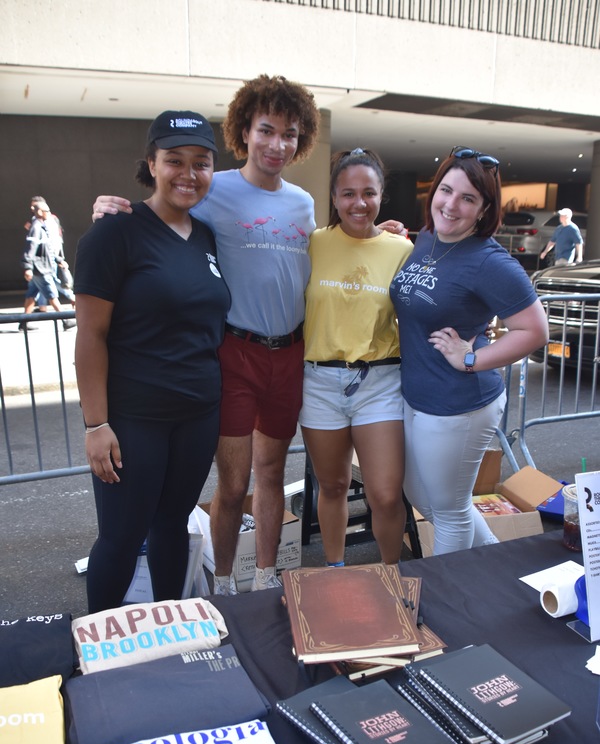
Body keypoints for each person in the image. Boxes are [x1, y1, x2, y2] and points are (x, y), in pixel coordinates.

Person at [92, 74, 320, 594]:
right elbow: (162, 208)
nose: (277, 143)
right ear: (244, 131)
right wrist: (112, 210)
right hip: (233, 352)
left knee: (270, 476)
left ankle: (263, 580)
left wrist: (388, 233)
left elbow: (333, 248)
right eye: (267, 130)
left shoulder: (304, 204)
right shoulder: (215, 189)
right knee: (233, 484)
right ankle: (223, 584)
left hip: (288, 352)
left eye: (289, 133)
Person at [74, 110, 231, 613]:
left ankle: (169, 634)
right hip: (133, 418)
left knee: (173, 524)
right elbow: (90, 336)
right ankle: (94, 651)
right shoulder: (113, 233)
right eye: (174, 161)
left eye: (201, 163)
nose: (188, 173)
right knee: (121, 536)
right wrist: (96, 424)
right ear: (151, 164)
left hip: (197, 414)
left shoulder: (206, 237)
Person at [390, 146, 549, 556]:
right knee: (425, 500)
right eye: (446, 190)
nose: (451, 204)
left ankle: (450, 604)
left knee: (448, 512)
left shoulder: (490, 262)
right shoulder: (426, 240)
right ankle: (494, 561)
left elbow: (534, 330)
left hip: (458, 405)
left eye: (468, 198)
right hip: (416, 396)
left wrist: (471, 357)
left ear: (484, 209)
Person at [300, 148, 413, 566]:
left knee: (384, 493)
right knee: (332, 486)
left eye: (369, 193)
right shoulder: (314, 243)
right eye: (348, 194)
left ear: (382, 195)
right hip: (320, 383)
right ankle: (335, 571)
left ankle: (391, 576)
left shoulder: (400, 251)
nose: (359, 203)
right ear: (333, 197)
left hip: (380, 382)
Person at [21, 198, 76, 332]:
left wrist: (58, 259)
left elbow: (48, 248)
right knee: (52, 294)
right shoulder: (36, 227)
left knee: (31, 295)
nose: (49, 213)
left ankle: (24, 322)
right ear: (40, 211)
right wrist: (27, 266)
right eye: (47, 211)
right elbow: (31, 248)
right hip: (41, 268)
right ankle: (65, 319)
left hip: (42, 266)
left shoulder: (42, 226)